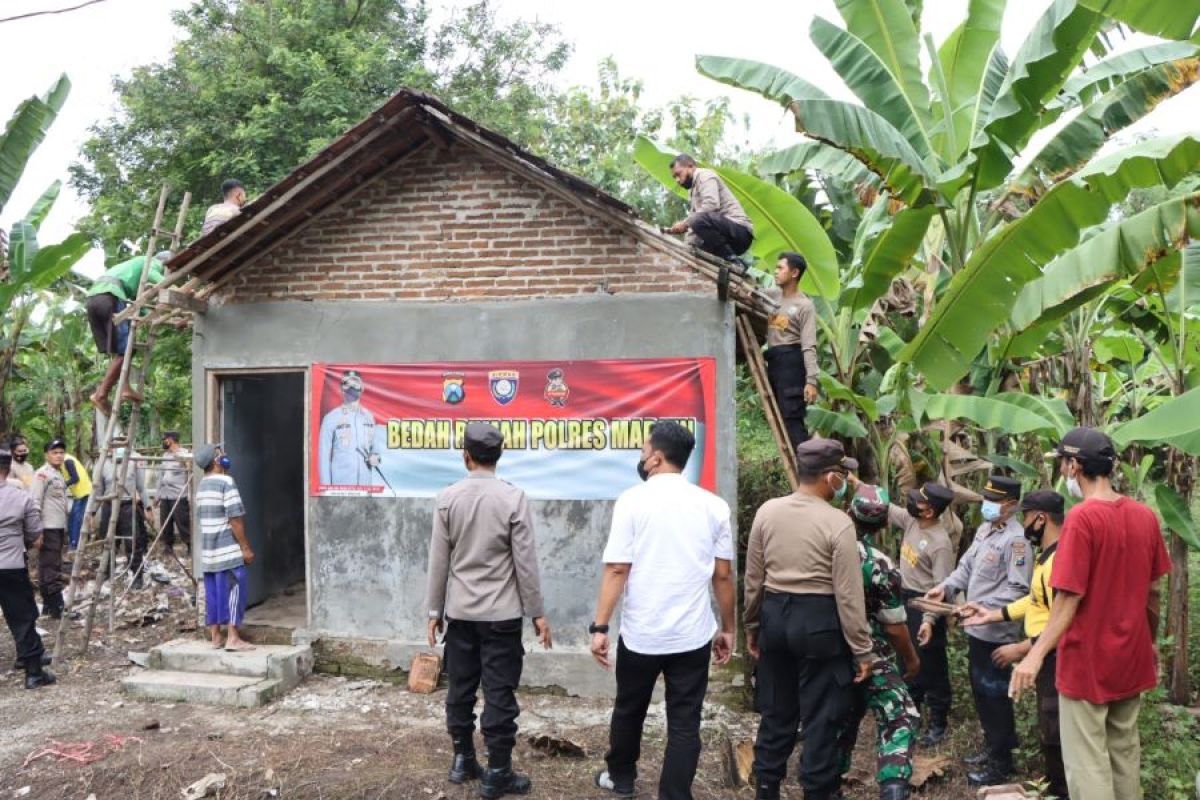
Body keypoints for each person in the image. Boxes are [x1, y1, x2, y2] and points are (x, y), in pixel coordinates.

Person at [1009, 428, 1171, 800]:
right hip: (1130, 655)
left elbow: (1068, 598)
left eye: (1063, 464)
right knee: (1124, 753)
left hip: (1087, 661)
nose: (1063, 472)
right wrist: (1150, 642)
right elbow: (1153, 591)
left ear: (1075, 466)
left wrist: (1034, 655)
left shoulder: (1082, 519)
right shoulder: (1145, 516)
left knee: (1087, 764)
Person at [589, 421, 736, 800]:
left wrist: (600, 626)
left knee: (629, 708)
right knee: (686, 721)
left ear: (655, 458)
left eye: (642, 450)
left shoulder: (632, 501)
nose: (640, 456)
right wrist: (728, 628)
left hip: (643, 633)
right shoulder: (714, 507)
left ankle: (620, 778)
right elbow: (723, 576)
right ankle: (674, 794)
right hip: (692, 636)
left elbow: (618, 568)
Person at [424, 422, 552, 799]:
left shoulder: (448, 498)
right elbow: (525, 564)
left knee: (460, 688)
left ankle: (462, 760)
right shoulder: (513, 498)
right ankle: (497, 772)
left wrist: (435, 611)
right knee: (499, 693)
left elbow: (438, 561)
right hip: (502, 616)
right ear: (499, 456)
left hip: (460, 615)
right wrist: (537, 613)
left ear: (465, 455)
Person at [745, 438, 873, 800]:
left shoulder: (767, 512)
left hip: (775, 618)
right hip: (819, 622)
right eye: (843, 474)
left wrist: (753, 626)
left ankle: (766, 788)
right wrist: (862, 651)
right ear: (831, 476)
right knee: (821, 718)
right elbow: (849, 596)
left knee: (776, 712)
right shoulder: (838, 523)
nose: (845, 480)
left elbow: (753, 579)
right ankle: (817, 790)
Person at [961, 489, 1068, 798]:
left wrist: (1023, 648)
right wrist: (991, 614)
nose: (1023, 524)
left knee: (1054, 728)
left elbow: (1062, 618)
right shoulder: (1047, 556)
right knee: (1048, 724)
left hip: (1050, 654)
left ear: (1040, 518)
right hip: (1040, 651)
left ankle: (1060, 790)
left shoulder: (1059, 561)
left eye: (1026, 517)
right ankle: (1051, 784)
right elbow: (1033, 601)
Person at [925, 474, 1031, 787]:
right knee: (981, 693)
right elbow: (965, 568)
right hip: (975, 629)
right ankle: (992, 746)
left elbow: (1018, 589)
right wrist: (944, 588)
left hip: (996, 632)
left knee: (995, 694)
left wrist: (981, 607)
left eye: (994, 501)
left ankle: (1002, 762)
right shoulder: (986, 529)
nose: (988, 505)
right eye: (987, 499)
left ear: (1011, 505)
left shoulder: (1017, 540)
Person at [839, 483, 921, 800]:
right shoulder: (880, 565)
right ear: (885, 523)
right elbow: (896, 628)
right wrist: (912, 660)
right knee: (900, 715)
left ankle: (827, 782)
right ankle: (893, 788)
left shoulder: (823, 550)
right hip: (873, 655)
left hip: (829, 650)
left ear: (848, 513)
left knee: (839, 716)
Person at [888, 481, 957, 746]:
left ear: (929, 511)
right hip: (904, 600)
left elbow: (941, 590)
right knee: (906, 659)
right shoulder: (911, 521)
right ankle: (911, 712)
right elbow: (888, 509)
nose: (912, 502)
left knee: (932, 664)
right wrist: (856, 484)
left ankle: (938, 720)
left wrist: (929, 620)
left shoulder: (940, 544)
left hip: (926, 605)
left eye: (919, 501)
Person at [85, 251, 169, 415]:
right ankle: (100, 395)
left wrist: (156, 318)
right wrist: (174, 287)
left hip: (94, 299)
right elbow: (154, 274)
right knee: (126, 351)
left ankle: (125, 387)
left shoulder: (132, 272)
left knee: (121, 350)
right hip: (110, 296)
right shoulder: (151, 262)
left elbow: (139, 306)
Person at [0, 449, 56, 689]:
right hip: (11, 566)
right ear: (8, 467)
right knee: (23, 617)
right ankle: (33, 672)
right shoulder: (21, 498)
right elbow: (36, 538)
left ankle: (26, 659)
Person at [195, 442, 256, 652]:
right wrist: (245, 548)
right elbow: (235, 520)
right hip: (227, 551)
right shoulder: (226, 482)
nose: (224, 456)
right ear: (215, 461)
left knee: (214, 594)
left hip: (209, 554)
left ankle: (215, 637)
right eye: (220, 454)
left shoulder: (201, 485)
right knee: (234, 592)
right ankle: (233, 638)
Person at [762, 252, 821, 449]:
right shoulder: (772, 296)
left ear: (794, 272)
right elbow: (749, 292)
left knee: (792, 419)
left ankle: (807, 467)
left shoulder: (804, 306)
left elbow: (809, 345)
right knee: (779, 418)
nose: (775, 271)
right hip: (774, 361)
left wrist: (811, 381)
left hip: (792, 364)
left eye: (781, 268)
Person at [666, 154, 754, 265]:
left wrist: (685, 223)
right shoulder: (692, 191)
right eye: (674, 177)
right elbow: (694, 226)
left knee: (696, 220)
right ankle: (731, 264)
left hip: (740, 232)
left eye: (678, 174)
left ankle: (734, 263)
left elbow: (711, 205)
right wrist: (686, 249)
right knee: (697, 253)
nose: (677, 180)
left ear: (690, 166)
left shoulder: (705, 176)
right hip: (724, 238)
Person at [88, 448, 149, 589]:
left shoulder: (133, 461)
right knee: (107, 541)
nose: (115, 449)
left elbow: (141, 487)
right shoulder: (102, 463)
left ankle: (137, 575)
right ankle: (107, 572)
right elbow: (98, 490)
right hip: (108, 506)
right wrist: (92, 512)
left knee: (132, 542)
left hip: (128, 505)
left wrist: (148, 507)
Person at [29, 440, 70, 619]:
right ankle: (57, 607)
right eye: (55, 452)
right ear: (47, 454)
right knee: (51, 567)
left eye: (61, 452)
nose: (59, 456)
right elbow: (35, 503)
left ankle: (48, 605)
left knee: (49, 565)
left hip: (58, 526)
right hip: (48, 528)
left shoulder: (58, 474)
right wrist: (37, 531)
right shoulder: (42, 475)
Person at [317, 370, 380, 487]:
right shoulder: (331, 418)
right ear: (341, 388)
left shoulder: (369, 417)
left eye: (355, 383)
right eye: (347, 383)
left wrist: (376, 457)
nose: (351, 387)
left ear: (362, 388)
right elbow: (323, 457)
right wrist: (326, 489)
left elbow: (376, 449)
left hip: (366, 488)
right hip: (341, 489)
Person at [157, 431, 192, 555]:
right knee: (165, 523)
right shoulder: (165, 455)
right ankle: (168, 547)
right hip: (165, 494)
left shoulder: (185, 454)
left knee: (182, 522)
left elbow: (189, 474)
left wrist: (190, 495)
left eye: (164, 440)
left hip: (178, 495)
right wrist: (157, 496)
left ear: (170, 440)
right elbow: (161, 476)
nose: (163, 442)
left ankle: (190, 545)